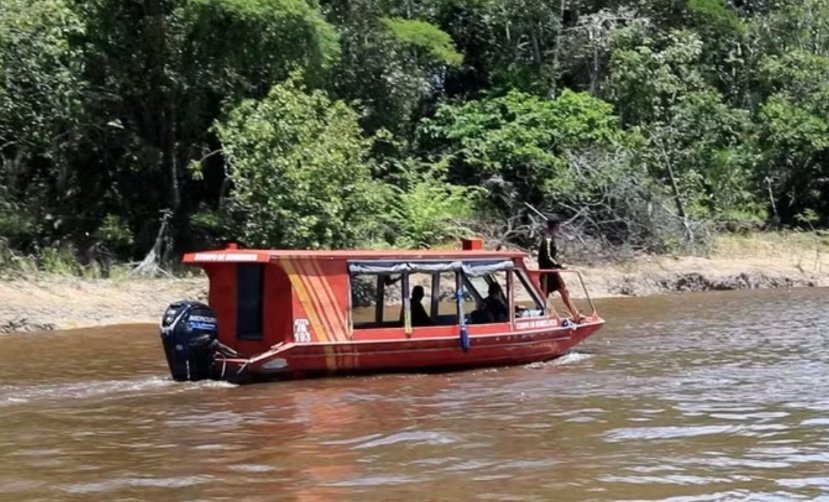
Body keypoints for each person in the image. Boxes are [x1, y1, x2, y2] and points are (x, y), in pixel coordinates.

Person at [538, 217, 585, 323]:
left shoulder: (550, 239)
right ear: (556, 226)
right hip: (548, 271)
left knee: (564, 291)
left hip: (552, 270)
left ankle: (575, 314)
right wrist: (559, 265)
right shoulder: (547, 240)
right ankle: (544, 316)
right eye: (558, 226)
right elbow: (548, 256)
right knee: (545, 295)